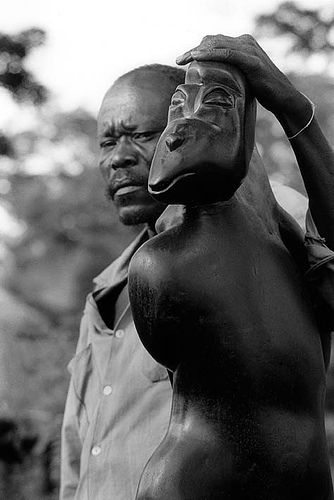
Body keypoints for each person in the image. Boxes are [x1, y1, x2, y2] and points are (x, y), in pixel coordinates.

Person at [60, 64, 184, 500]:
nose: (119, 157)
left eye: (142, 135)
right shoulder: (104, 293)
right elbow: (78, 450)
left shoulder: (261, 231)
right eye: (108, 142)